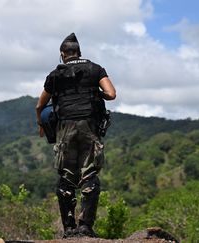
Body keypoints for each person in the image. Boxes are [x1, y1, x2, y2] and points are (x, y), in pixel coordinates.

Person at [35, 33, 116, 238]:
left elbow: (40, 104)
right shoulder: (95, 69)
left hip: (65, 127)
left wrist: (41, 124)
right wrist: (97, 93)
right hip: (89, 126)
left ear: (63, 54)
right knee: (89, 175)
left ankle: (69, 229)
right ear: (79, 52)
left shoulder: (55, 74)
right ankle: (85, 227)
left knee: (66, 177)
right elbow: (112, 94)